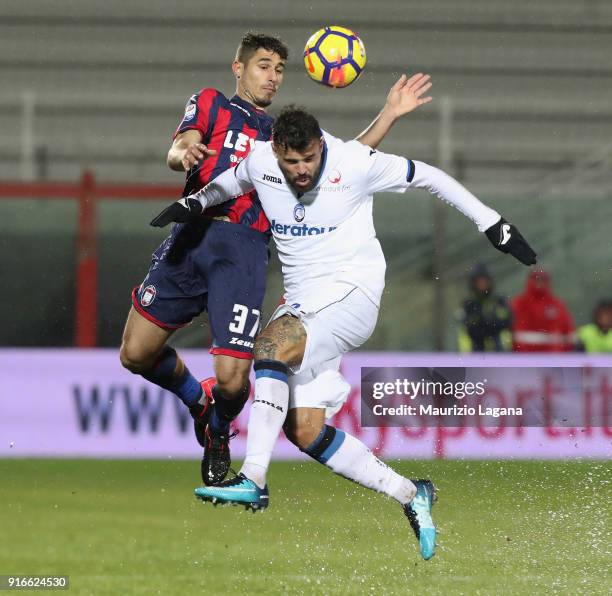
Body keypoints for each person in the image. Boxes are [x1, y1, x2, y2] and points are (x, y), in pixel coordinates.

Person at [152, 105, 537, 560]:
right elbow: (232, 182)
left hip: (353, 292)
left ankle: (252, 477)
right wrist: (194, 202)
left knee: (272, 345)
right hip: (306, 305)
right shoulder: (261, 161)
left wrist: (491, 222)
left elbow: (429, 175)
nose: (301, 171)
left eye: (309, 159)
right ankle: (411, 494)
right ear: (276, 152)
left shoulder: (353, 162)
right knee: (305, 430)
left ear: (322, 147)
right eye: (291, 162)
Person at [119, 31, 435, 486]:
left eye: (280, 69)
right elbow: (181, 145)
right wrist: (183, 151)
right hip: (190, 239)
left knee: (232, 381)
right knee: (135, 354)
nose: (272, 77)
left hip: (243, 250)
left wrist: (389, 114)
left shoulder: (282, 134)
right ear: (239, 67)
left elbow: (350, 160)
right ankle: (198, 400)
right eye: (263, 66)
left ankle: (220, 428)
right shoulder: (211, 104)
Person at [511, 270, 575, 352]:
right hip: (524, 357)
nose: (539, 283)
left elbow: (568, 331)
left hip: (553, 357)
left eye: (543, 280)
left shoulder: (557, 304)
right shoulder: (519, 304)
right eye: (536, 279)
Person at [457, 263, 512, 351]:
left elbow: (507, 322)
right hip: (475, 350)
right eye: (479, 281)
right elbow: (466, 327)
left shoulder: (499, 301)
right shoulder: (469, 304)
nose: (482, 284)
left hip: (499, 351)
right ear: (473, 283)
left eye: (484, 281)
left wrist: (491, 322)